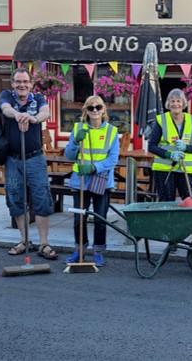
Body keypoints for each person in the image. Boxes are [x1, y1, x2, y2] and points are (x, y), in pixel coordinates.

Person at [1, 68, 57, 260]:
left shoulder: (38, 99)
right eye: (18, 82)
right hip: (13, 159)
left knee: (41, 198)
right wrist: (17, 115)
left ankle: (44, 243)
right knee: (16, 199)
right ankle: (25, 240)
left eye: (25, 82)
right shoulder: (7, 96)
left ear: (31, 84)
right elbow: (5, 109)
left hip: (35, 158)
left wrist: (33, 119)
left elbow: (45, 113)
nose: (22, 85)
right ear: (13, 84)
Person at [64, 95, 120, 267]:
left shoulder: (111, 131)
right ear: (85, 111)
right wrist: (75, 141)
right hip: (80, 181)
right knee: (78, 219)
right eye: (91, 108)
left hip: (102, 181)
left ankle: (98, 252)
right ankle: (79, 250)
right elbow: (69, 155)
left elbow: (113, 159)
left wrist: (95, 167)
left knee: (100, 219)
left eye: (98, 107)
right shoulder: (78, 128)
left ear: (103, 110)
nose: (95, 110)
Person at [148, 88, 192, 202]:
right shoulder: (161, 120)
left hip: (186, 170)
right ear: (168, 104)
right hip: (164, 169)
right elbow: (151, 146)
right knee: (166, 202)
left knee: (190, 202)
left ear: (183, 103)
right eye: (172, 101)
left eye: (178, 101)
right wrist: (170, 154)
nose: (175, 104)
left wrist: (186, 147)